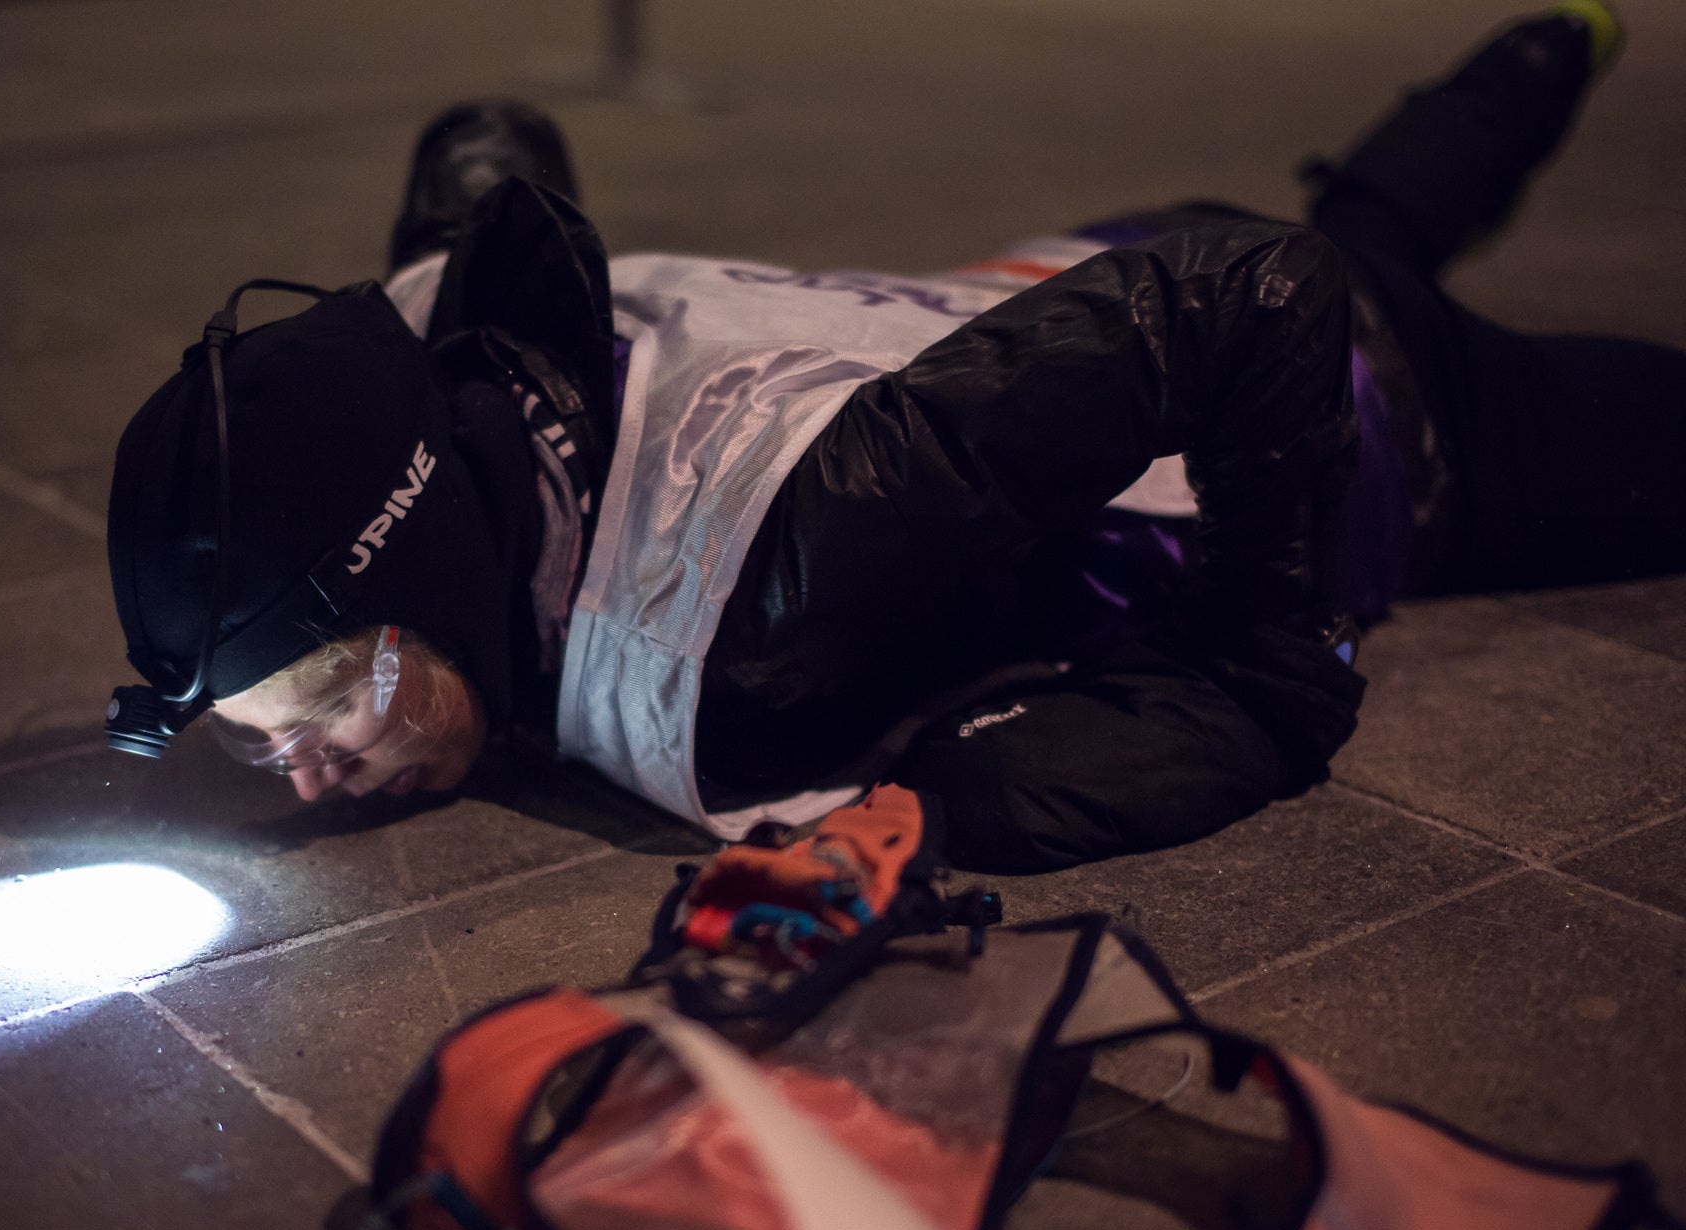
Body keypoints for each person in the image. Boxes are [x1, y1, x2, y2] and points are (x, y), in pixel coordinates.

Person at [104, 4, 1685, 873]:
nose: (307, 782)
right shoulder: (449, 338)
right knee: (1377, 208)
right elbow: (487, 141)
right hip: (1078, 292)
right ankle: (1554, 43)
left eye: (328, 708)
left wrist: (1270, 670)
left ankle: (1552, 47)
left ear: (435, 570)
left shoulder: (788, 572)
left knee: (1376, 264)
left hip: (1359, 387)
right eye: (260, 737)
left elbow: (1262, 299)